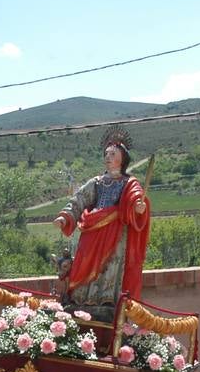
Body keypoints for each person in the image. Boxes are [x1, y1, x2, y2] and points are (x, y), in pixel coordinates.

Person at [52, 128, 151, 321]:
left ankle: (106, 301)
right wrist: (65, 216)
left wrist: (139, 208)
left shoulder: (129, 183)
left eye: (113, 154)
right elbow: (78, 200)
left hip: (115, 233)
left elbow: (137, 200)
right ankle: (80, 300)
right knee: (84, 261)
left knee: (111, 266)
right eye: (106, 154)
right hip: (91, 231)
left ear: (123, 158)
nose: (108, 157)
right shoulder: (96, 182)